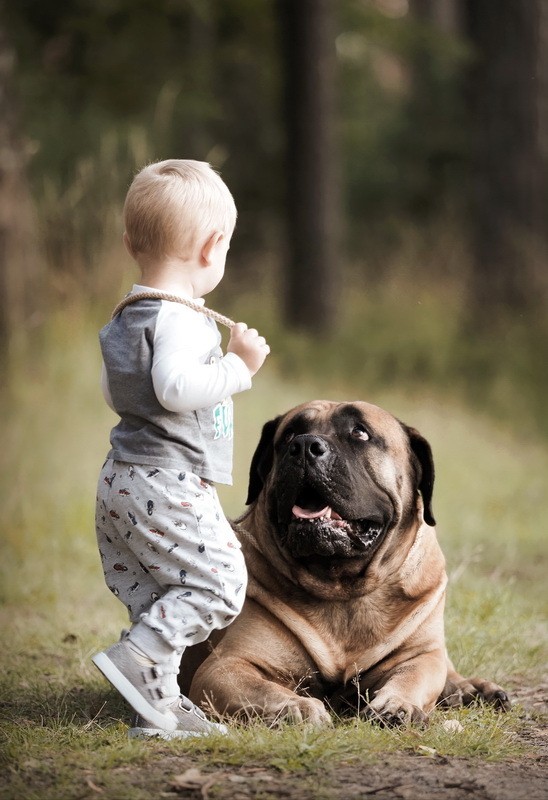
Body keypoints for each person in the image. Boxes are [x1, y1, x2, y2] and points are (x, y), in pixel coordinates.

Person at [92, 159, 270, 739]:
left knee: (158, 597)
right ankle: (137, 660)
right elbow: (173, 388)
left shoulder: (130, 312)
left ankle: (157, 706)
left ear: (129, 241)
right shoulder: (181, 320)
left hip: (122, 481)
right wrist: (237, 366)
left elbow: (116, 388)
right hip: (166, 481)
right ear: (213, 246)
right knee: (219, 582)